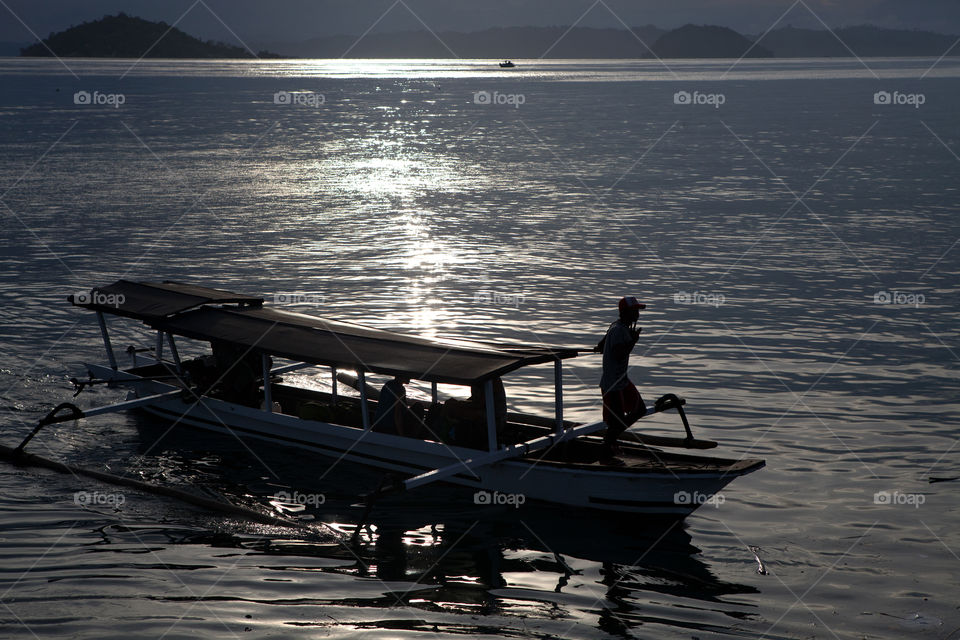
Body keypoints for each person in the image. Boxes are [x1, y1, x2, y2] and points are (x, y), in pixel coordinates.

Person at [597, 296, 646, 465]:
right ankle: (606, 448)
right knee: (616, 420)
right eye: (635, 310)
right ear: (625, 312)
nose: (638, 314)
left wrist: (607, 343)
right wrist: (633, 341)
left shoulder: (617, 326)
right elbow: (618, 354)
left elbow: (601, 346)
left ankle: (611, 441)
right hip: (613, 383)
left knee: (639, 409)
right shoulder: (619, 330)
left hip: (622, 380)